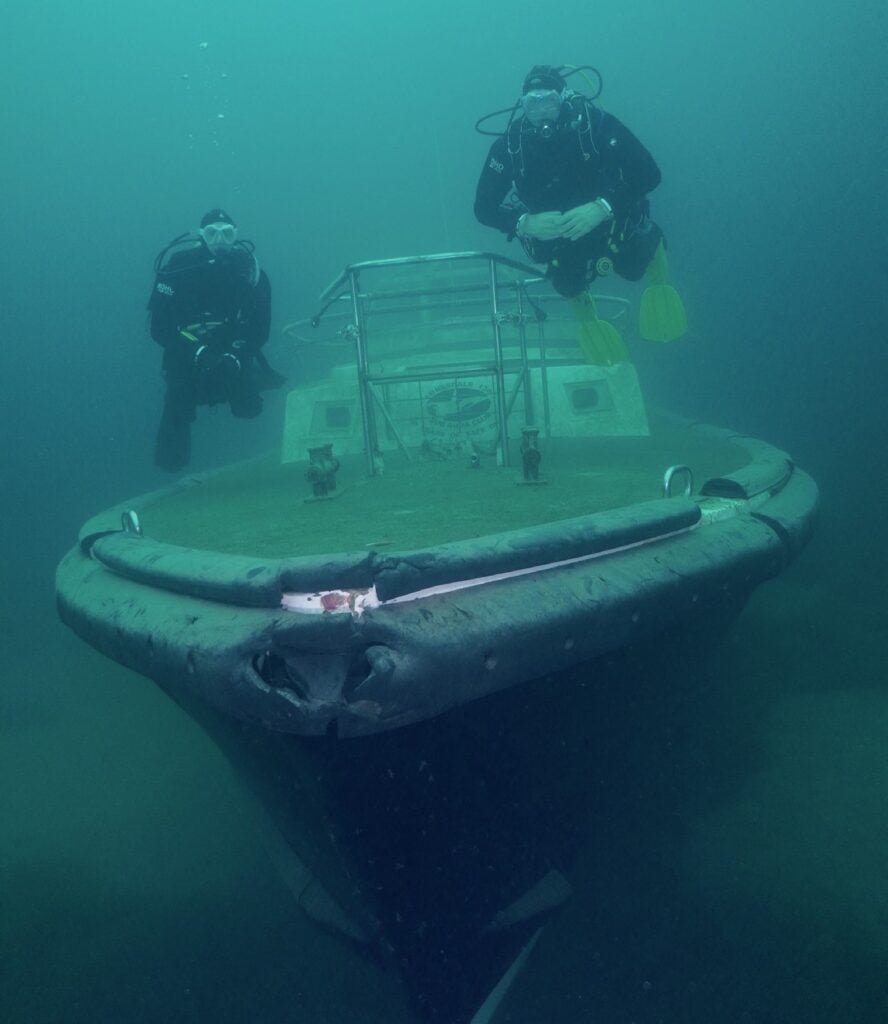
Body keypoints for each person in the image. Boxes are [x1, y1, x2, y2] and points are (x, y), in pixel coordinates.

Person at [474, 64, 664, 300]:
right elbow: (483, 207)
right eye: (532, 103)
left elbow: (649, 173)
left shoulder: (595, 126)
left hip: (612, 221)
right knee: (568, 286)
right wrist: (522, 223)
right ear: (522, 105)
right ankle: (589, 318)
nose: (542, 111)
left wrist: (602, 207)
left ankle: (655, 263)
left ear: (563, 99)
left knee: (633, 267)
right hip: (563, 238)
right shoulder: (510, 146)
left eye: (549, 101)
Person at [147, 209, 284, 471]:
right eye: (212, 233)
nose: (220, 240)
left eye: (227, 233)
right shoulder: (177, 268)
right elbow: (159, 328)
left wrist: (235, 355)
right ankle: (171, 468)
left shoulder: (251, 272)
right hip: (186, 355)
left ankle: (244, 396)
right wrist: (198, 353)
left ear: (236, 235)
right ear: (201, 236)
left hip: (233, 353)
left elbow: (259, 328)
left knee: (250, 408)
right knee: (177, 407)